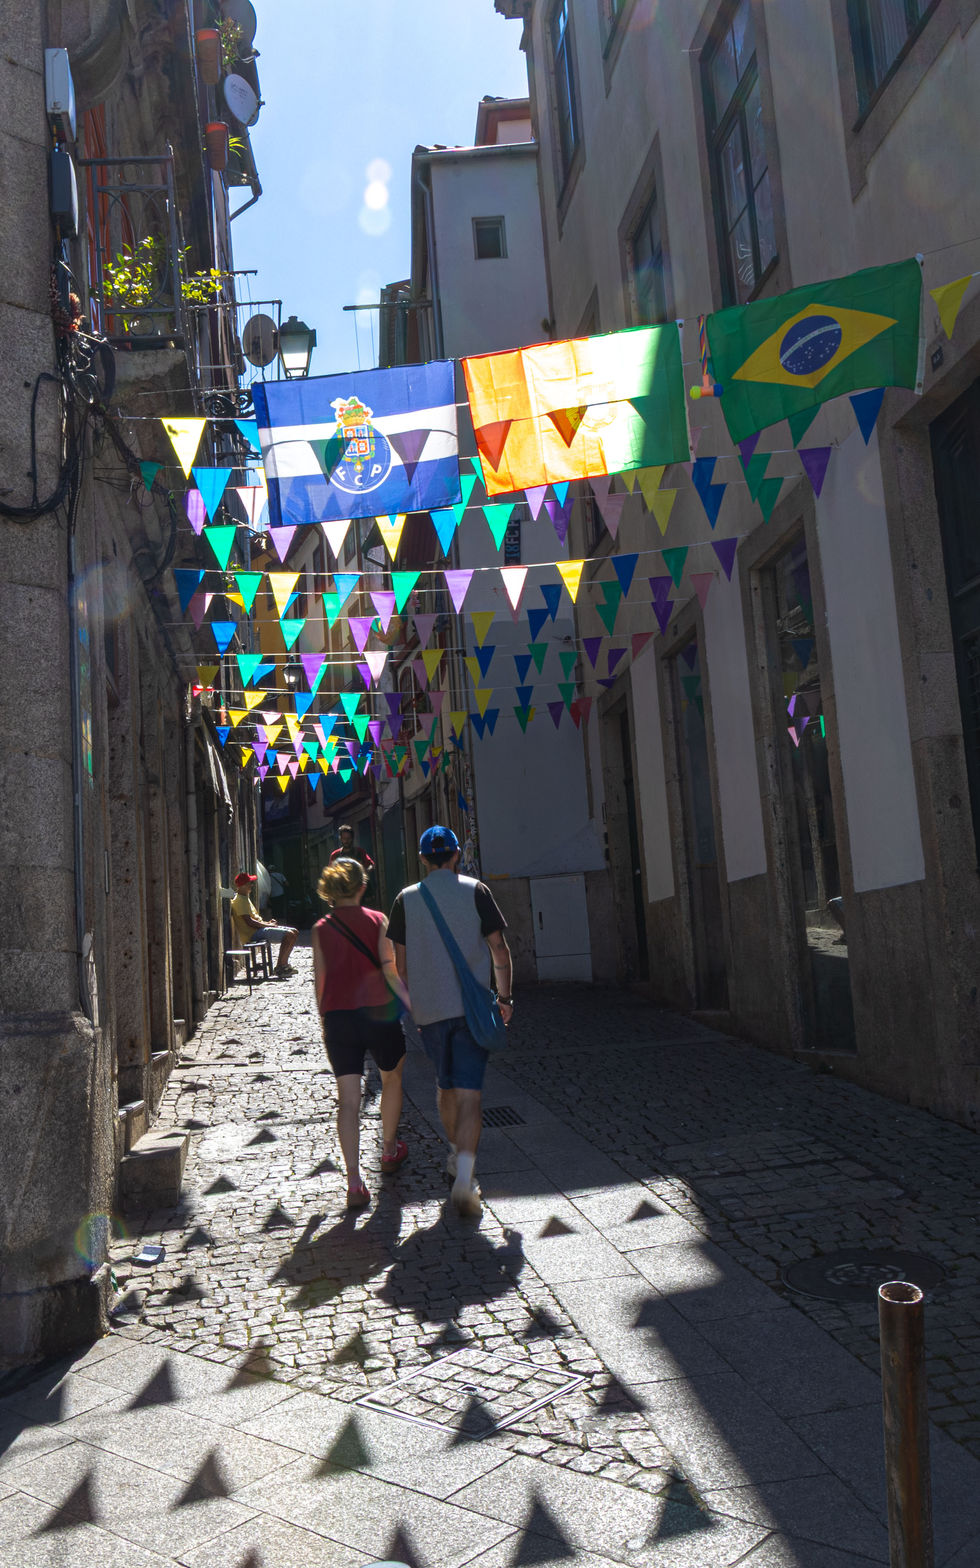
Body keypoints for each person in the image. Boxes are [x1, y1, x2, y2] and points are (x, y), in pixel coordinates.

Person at [387, 826, 513, 1219]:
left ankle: (455, 1154)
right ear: (457, 855)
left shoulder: (405, 900)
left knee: (446, 1086)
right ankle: (465, 1177)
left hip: (431, 1012)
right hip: (473, 1009)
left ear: (423, 858)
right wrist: (505, 997)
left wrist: (408, 1008)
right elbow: (499, 948)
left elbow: (400, 967)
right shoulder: (477, 891)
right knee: (471, 1093)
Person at [312, 857, 410, 1209]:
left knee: (348, 1100)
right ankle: (388, 1149)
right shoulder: (377, 920)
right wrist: (409, 1003)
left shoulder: (321, 928)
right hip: (378, 1013)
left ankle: (354, 1183)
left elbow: (319, 984)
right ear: (362, 886)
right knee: (392, 1079)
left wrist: (327, 1020)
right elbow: (390, 969)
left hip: (340, 1019)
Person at [229, 872, 298, 979]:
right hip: (253, 934)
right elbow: (250, 922)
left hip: (258, 930)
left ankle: (283, 964)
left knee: (294, 932)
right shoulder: (239, 901)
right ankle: (280, 966)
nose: (251, 885)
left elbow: (254, 920)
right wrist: (267, 925)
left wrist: (268, 924)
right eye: (249, 883)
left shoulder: (244, 898)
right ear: (242, 885)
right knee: (289, 934)